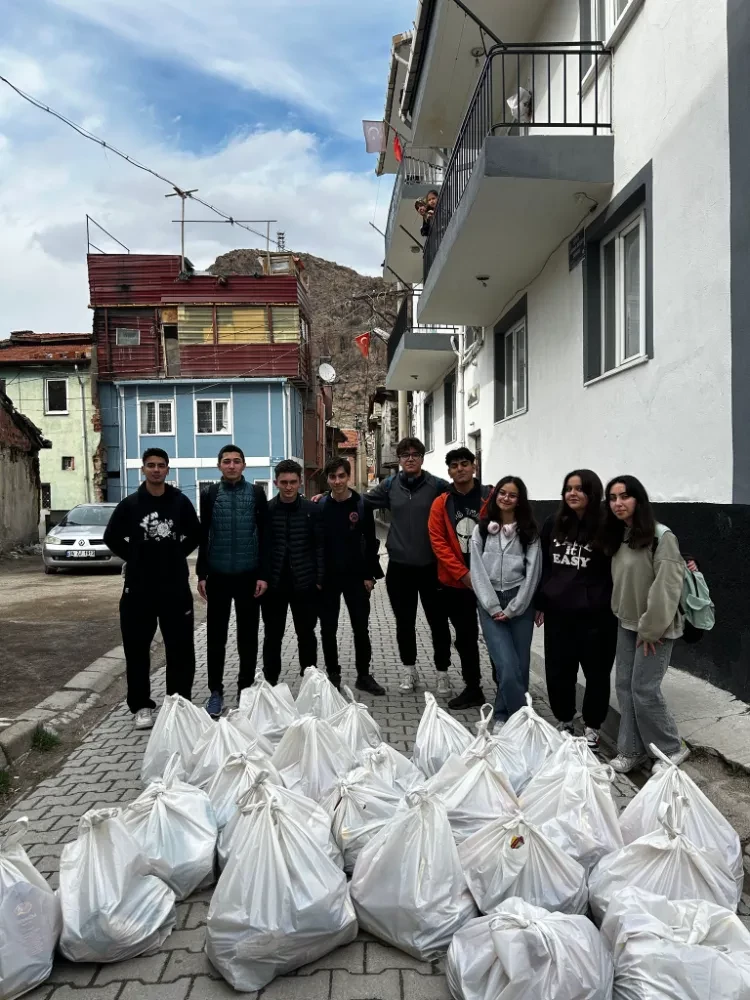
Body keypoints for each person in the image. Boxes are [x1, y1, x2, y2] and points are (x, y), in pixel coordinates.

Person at [103, 448, 200, 730]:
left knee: (180, 649)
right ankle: (141, 706)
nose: (156, 470)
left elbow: (195, 533)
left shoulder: (180, 502)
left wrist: (176, 554)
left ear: (167, 469)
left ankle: (178, 703)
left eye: (161, 465)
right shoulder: (131, 504)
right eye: (150, 465)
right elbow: (111, 536)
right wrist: (134, 557)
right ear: (143, 469)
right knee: (136, 650)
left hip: (174, 588)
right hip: (139, 589)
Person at [602, 475, 691, 773]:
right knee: (625, 687)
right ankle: (632, 749)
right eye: (612, 498)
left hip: (656, 628)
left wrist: (651, 629)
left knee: (644, 689)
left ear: (638, 499)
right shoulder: (621, 535)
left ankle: (670, 749)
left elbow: (667, 587)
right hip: (626, 623)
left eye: (624, 496)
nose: (618, 503)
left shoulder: (661, 536)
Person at [535, 470, 617, 751]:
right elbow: (543, 564)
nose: (572, 493)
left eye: (579, 489)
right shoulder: (552, 523)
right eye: (568, 488)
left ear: (592, 492)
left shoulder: (610, 525)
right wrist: (541, 601)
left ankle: (593, 727)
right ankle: (565, 721)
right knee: (559, 672)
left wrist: (686, 557)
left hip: (598, 617)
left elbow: (644, 540)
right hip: (559, 613)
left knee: (596, 674)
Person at [365, 437, 451, 694]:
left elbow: (462, 494)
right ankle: (408, 670)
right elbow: (362, 501)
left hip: (432, 567)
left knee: (438, 623)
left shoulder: (437, 485)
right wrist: (326, 498)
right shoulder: (390, 485)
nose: (410, 458)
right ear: (400, 460)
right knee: (405, 623)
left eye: (415, 454)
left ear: (422, 458)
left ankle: (443, 672)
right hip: (400, 568)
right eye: (405, 455)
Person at [196, 444, 269, 718]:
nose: (231, 465)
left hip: (249, 576)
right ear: (219, 466)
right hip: (217, 576)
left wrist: (263, 574)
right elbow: (204, 534)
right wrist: (201, 574)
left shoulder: (256, 493)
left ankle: (245, 689)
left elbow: (264, 535)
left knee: (248, 638)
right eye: (226, 461)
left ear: (244, 466)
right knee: (215, 638)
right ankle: (215, 692)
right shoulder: (210, 494)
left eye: (236, 461)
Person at [469, 477, 542, 731]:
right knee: (506, 666)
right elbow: (476, 571)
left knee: (520, 667)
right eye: (502, 493)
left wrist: (514, 607)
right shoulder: (481, 530)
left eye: (512, 495)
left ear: (519, 500)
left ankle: (502, 714)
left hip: (520, 602)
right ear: (495, 495)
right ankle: (523, 720)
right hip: (490, 603)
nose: (506, 498)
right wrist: (492, 606)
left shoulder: (529, 533)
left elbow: (533, 574)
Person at [428, 446, 492, 710]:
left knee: (496, 635)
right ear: (449, 472)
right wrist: (463, 574)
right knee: (465, 637)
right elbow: (438, 542)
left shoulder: (491, 496)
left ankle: (507, 686)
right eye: (454, 466)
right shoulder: (441, 502)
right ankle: (473, 687)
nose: (460, 469)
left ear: (474, 466)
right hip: (456, 583)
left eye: (465, 463)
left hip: (492, 581)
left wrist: (485, 574)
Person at [317, 457, 385, 695]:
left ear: (349, 477)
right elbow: (316, 545)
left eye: (341, 476)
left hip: (356, 578)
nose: (337, 481)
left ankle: (363, 676)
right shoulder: (321, 506)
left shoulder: (362, 505)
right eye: (333, 477)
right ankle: (333, 675)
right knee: (328, 629)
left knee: (360, 628)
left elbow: (371, 543)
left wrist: (369, 575)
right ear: (328, 479)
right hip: (328, 579)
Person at [262, 459, 324, 684]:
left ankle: (310, 680)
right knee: (272, 636)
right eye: (284, 482)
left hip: (305, 584)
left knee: (306, 634)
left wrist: (319, 579)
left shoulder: (312, 510)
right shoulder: (266, 510)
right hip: (274, 585)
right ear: (276, 482)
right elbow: (262, 547)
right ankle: (270, 682)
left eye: (293, 482)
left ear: (300, 483)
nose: (288, 487)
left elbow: (320, 546)